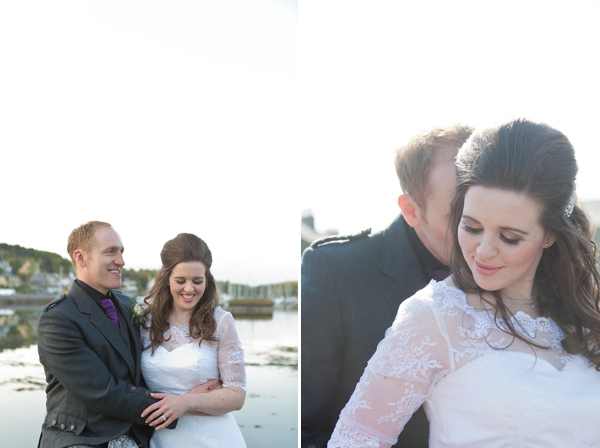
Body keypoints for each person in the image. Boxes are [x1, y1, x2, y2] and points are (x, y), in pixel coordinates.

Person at [328, 118, 600, 447]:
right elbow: (355, 438)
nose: (483, 252)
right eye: (471, 227)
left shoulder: (585, 313)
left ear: (550, 235)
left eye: (510, 237)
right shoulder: (433, 317)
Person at [301, 124, 473, 448]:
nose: (477, 228)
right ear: (411, 210)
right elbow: (305, 426)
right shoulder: (337, 271)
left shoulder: (520, 267)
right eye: (460, 212)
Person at [37, 221, 177, 448]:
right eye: (110, 252)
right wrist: (173, 407)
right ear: (81, 258)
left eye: (121, 252)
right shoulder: (57, 319)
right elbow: (103, 392)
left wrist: (194, 390)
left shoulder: (128, 304)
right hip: (82, 439)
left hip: (138, 435)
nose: (121, 261)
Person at [138, 233, 247, 448]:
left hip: (214, 439)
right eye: (181, 281)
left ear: (207, 280)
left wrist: (186, 402)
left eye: (197, 281)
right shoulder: (144, 321)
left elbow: (237, 395)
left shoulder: (221, 322)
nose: (189, 289)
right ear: (167, 279)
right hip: (161, 437)